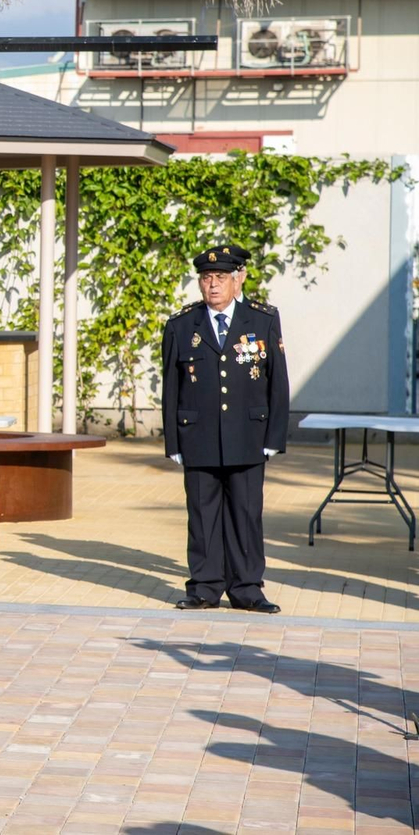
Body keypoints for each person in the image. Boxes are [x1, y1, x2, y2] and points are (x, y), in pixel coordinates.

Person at [160, 244, 289, 614]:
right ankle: (204, 587)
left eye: (220, 278)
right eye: (206, 278)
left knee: (246, 514)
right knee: (202, 515)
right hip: (198, 435)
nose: (212, 285)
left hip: (249, 435)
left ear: (239, 279)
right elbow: (171, 385)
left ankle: (248, 588)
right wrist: (174, 440)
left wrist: (273, 438)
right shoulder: (182, 325)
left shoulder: (261, 320)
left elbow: (277, 382)